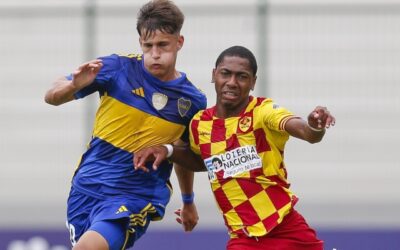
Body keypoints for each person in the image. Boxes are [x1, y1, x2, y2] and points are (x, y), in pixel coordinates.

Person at [134, 45, 336, 250]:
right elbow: (200, 160)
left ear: (253, 82)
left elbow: (306, 132)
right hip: (243, 236)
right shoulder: (199, 123)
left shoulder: (262, 112)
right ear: (214, 75)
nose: (231, 82)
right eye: (225, 74)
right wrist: (169, 153)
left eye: (241, 76)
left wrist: (314, 126)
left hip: (286, 228)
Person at [44, 0, 207, 249]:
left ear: (179, 42)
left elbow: (182, 153)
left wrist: (188, 200)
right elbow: (51, 96)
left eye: (163, 45)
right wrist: (73, 86)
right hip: (86, 188)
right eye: (148, 45)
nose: (155, 53)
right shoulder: (116, 68)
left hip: (135, 195)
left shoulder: (192, 101)